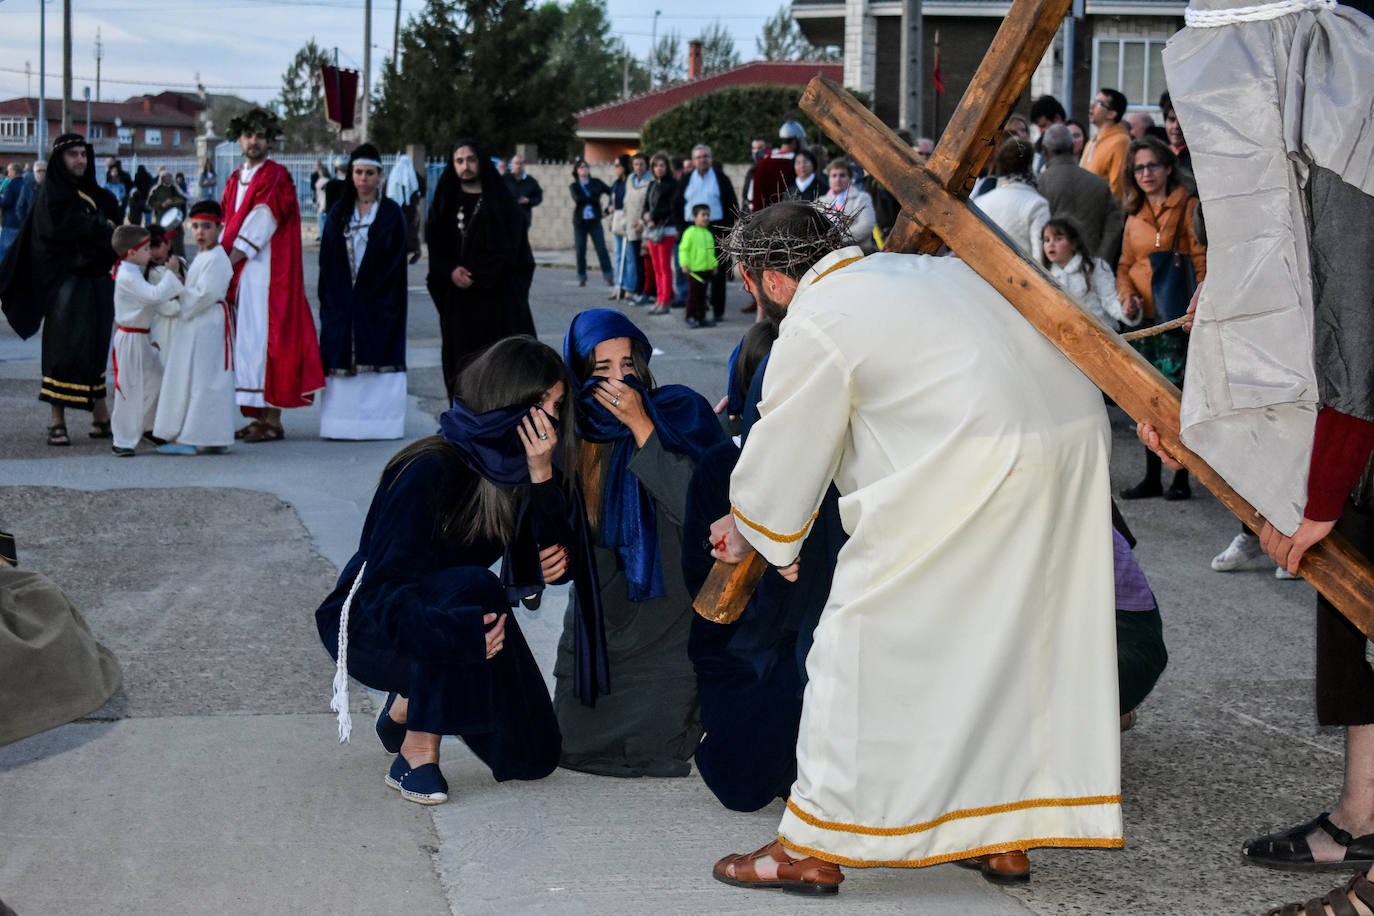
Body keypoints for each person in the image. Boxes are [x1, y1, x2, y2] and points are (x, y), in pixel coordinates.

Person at [706, 200, 1122, 893]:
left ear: (768, 282)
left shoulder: (817, 318)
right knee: (1004, 643)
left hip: (975, 468)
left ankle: (809, 849)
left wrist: (760, 528)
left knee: (853, 650)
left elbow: (783, 452)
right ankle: (1001, 837)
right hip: (1066, 449)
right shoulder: (921, 270)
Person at [1148, 6, 1374, 913]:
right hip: (1347, 422)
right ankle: (1363, 813)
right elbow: (1267, 266)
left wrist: (1320, 486)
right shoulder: (1314, 98)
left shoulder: (1345, 100)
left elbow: (1355, 310)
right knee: (1349, 613)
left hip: (1355, 417)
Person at [315, 336, 572, 805]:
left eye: (557, 405)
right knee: (473, 584)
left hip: (458, 618)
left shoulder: (519, 470)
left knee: (535, 758)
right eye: (542, 405)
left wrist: (541, 476)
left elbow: (553, 558)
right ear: (509, 403)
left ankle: (408, 703)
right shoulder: (429, 469)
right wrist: (459, 638)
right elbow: (382, 591)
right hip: (374, 625)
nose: (552, 421)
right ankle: (417, 750)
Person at [552, 309, 725, 778]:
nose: (618, 381)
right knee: (567, 742)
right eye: (601, 369)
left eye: (627, 365)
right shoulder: (570, 437)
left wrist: (641, 427)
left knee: (660, 743)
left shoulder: (678, 411)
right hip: (601, 623)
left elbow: (698, 512)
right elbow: (558, 539)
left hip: (669, 618)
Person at [0, 134, 120, 447]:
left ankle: (101, 417)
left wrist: (101, 232)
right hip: (66, 282)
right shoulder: (52, 195)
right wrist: (98, 230)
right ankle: (57, 420)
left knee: (96, 347)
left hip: (97, 280)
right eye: (72, 155)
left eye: (83, 154)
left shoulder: (96, 193)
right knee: (63, 349)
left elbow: (114, 229)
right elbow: (60, 233)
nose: (80, 159)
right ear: (59, 159)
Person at [220, 107, 326, 443]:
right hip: (244, 273)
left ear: (270, 141)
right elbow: (227, 222)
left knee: (271, 340)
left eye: (260, 136)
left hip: (268, 273)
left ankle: (272, 419)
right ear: (239, 139)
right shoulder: (236, 178)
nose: (254, 141)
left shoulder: (275, 176)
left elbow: (261, 223)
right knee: (249, 342)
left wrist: (225, 263)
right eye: (249, 135)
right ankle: (258, 415)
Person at [1116, 136, 1205, 501]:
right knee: (1145, 401)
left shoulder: (1187, 205)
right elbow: (1123, 264)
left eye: (1153, 165)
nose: (1146, 173)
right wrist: (1126, 296)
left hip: (1175, 319)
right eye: (1139, 167)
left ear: (1169, 167)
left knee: (1175, 399)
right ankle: (1152, 477)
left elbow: (1200, 258)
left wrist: (1201, 302)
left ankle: (1180, 477)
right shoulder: (1134, 212)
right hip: (1144, 323)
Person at [425, 138, 536, 402]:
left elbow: (514, 251)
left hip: (495, 300)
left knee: (497, 365)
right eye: (459, 161)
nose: (465, 166)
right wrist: (451, 271)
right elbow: (437, 248)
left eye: (471, 159)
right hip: (458, 303)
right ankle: (462, 422)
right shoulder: (444, 203)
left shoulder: (502, 204)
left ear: (481, 162)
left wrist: (481, 273)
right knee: (461, 364)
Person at [318, 144, 409, 441]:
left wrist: (377, 293)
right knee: (340, 351)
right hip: (343, 298)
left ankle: (382, 425)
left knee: (379, 350)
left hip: (380, 299)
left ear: (380, 175)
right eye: (359, 172)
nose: (364, 179)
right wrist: (335, 296)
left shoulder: (392, 213)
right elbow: (328, 257)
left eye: (370, 173)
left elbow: (396, 260)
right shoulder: (339, 213)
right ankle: (339, 425)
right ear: (351, 175)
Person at [151, 200, 236, 454]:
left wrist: (176, 279)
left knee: (203, 379)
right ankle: (210, 435)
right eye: (196, 226)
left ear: (219, 228)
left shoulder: (217, 258)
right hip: (198, 323)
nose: (200, 232)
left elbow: (202, 296)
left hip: (206, 323)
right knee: (198, 377)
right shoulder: (203, 256)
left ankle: (192, 436)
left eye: (207, 227)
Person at [109, 224, 183, 457]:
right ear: (131, 252)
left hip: (141, 336)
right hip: (130, 337)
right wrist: (170, 274)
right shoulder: (127, 276)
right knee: (129, 389)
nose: (150, 252)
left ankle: (149, 427)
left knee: (156, 379)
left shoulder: (132, 271)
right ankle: (122, 439)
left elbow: (152, 301)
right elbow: (153, 295)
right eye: (145, 248)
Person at [1037, 123, 1124, 266]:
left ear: (1045, 151)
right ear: (1072, 148)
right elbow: (1114, 226)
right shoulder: (1100, 183)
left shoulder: (1038, 184)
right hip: (1090, 267)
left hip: (1051, 269)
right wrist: (1101, 262)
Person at [669, 144, 738, 323]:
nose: (703, 160)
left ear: (711, 158)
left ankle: (717, 310)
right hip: (690, 230)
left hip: (716, 228)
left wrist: (727, 230)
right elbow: (675, 204)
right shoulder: (685, 179)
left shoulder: (721, 178)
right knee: (694, 275)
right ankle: (694, 310)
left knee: (717, 272)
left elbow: (732, 205)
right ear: (693, 160)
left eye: (706, 156)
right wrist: (680, 227)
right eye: (699, 157)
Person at [1042, 216, 1139, 328]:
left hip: (1102, 334)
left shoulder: (1095, 267)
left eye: (1058, 239)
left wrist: (1126, 311)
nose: (1051, 244)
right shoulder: (1045, 274)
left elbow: (1109, 299)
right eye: (1047, 240)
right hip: (1067, 338)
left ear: (1074, 243)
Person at [970, 136, 1050, 259]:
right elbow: (1040, 258)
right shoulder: (1037, 205)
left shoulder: (980, 202)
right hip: (1021, 276)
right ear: (1029, 165)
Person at [640, 152, 678, 316]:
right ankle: (659, 299)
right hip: (652, 229)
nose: (659, 168)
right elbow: (646, 206)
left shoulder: (672, 185)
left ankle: (665, 302)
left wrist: (654, 217)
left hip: (666, 229)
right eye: (656, 165)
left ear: (666, 167)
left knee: (664, 268)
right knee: (656, 268)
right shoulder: (652, 184)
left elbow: (672, 207)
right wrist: (646, 216)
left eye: (662, 165)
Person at [568, 160, 614, 288]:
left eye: (585, 166)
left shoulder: (596, 183)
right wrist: (595, 199)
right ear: (576, 171)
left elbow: (610, 191)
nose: (583, 169)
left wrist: (608, 206)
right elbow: (578, 199)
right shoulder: (574, 186)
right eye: (580, 167)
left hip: (594, 221)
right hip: (580, 222)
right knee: (580, 250)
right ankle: (581, 277)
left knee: (601, 248)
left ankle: (609, 276)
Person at [1080, 88, 1131, 200]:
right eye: (1093, 101)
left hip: (1104, 213)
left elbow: (1117, 186)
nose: (1092, 106)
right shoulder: (1092, 141)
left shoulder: (1121, 141)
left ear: (1112, 114)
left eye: (1099, 103)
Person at [818, 160, 876, 253]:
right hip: (827, 252)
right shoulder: (820, 201)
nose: (838, 179)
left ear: (850, 178)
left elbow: (867, 225)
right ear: (829, 179)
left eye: (842, 175)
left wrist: (839, 238)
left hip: (859, 251)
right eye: (834, 176)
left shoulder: (862, 198)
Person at [678, 203, 718, 329]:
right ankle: (690, 316)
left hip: (706, 271)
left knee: (703, 296)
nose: (706, 218)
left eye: (708, 215)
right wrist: (684, 264)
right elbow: (683, 249)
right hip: (694, 271)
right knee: (693, 296)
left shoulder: (708, 234)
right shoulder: (690, 232)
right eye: (703, 215)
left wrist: (714, 265)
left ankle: (701, 318)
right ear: (694, 217)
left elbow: (711, 252)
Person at [385, 151, 425, 263]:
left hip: (397, 208)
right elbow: (422, 190)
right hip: (411, 208)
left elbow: (387, 191)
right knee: (411, 228)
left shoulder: (393, 175)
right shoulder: (415, 176)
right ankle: (412, 249)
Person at [620, 153, 650, 301]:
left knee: (646, 261)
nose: (638, 167)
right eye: (636, 164)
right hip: (631, 227)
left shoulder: (651, 180)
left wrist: (643, 223)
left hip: (645, 227)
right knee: (635, 262)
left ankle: (645, 291)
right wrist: (625, 221)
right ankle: (637, 289)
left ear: (647, 165)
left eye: (641, 164)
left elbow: (649, 204)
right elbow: (626, 202)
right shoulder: (630, 180)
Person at [608, 154, 637, 298]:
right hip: (617, 220)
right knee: (618, 255)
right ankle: (618, 286)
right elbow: (611, 200)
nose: (616, 169)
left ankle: (629, 287)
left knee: (630, 256)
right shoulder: (617, 183)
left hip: (628, 219)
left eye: (618, 166)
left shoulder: (630, 181)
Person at [503, 154, 543, 230]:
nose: (518, 166)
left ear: (524, 165)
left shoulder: (531, 181)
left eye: (520, 163)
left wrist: (528, 201)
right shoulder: (505, 180)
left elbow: (539, 197)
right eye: (516, 163)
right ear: (512, 165)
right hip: (506, 219)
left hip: (523, 220)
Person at [0, 163, 22, 261]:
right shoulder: (26, 183)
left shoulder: (11, 185)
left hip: (10, 222)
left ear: (13, 171)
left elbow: (6, 203)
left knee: (5, 250)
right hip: (22, 221)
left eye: (9, 171)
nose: (8, 174)